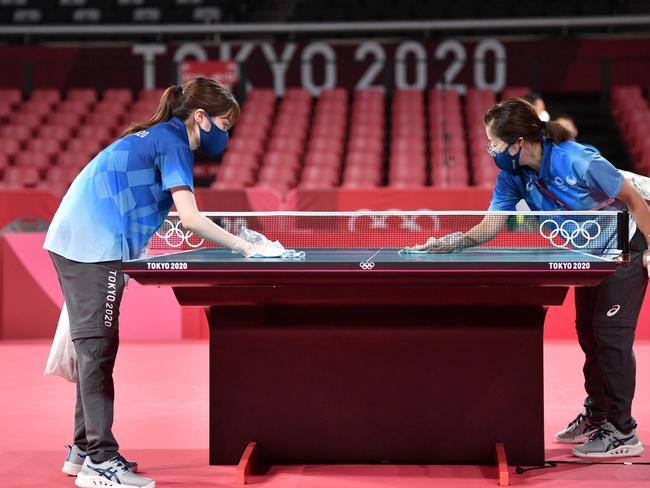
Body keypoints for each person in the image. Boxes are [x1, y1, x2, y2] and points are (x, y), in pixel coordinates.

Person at [44, 77, 264, 488]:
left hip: (85, 239)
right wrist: (247, 248)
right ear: (200, 117)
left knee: (96, 346)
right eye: (224, 124)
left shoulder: (164, 137)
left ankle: (83, 449)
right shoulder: (173, 140)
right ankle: (99, 462)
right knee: (97, 348)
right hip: (91, 242)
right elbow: (192, 218)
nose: (226, 135)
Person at [407, 98, 650, 458]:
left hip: (631, 236)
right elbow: (492, 224)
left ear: (518, 142)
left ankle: (622, 432)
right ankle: (599, 415)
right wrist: (448, 243)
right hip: (593, 249)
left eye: (495, 142)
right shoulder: (514, 175)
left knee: (611, 336)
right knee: (589, 331)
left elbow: (635, 200)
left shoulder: (578, 159)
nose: (491, 149)